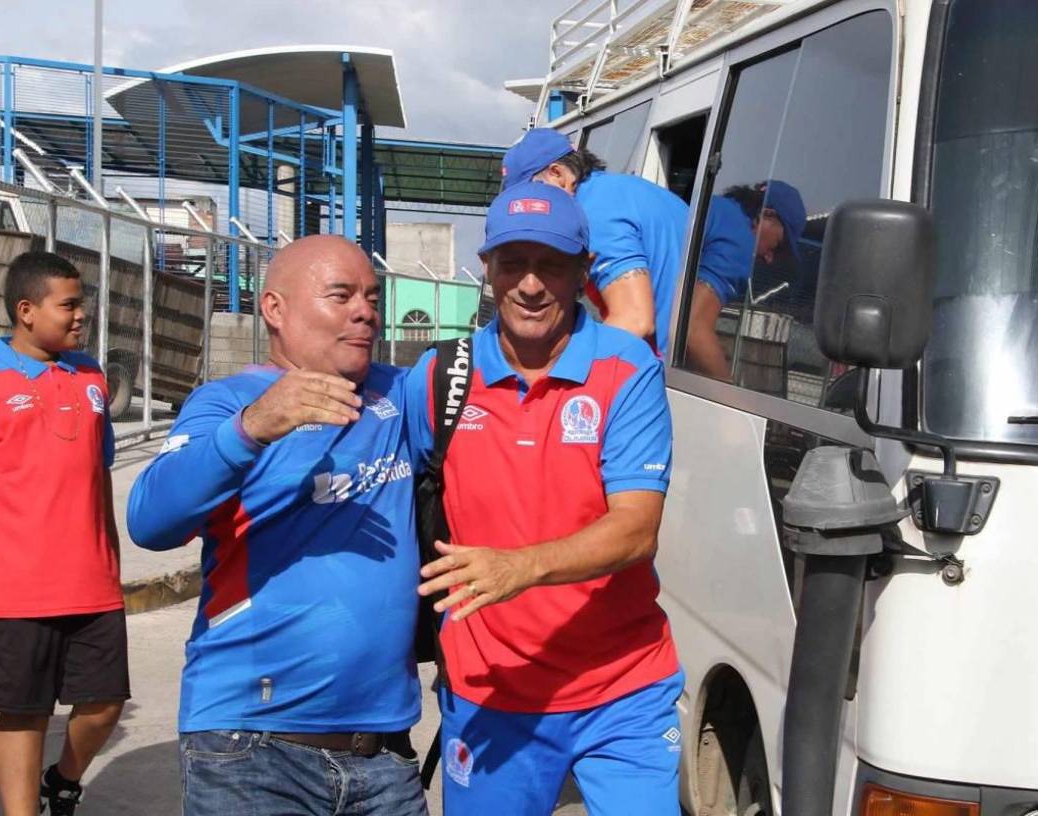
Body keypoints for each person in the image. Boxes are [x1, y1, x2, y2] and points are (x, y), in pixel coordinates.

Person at [127, 235, 427, 816]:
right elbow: (150, 519)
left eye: (371, 295)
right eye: (340, 295)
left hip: (385, 755)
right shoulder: (227, 403)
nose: (364, 310)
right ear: (274, 309)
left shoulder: (399, 392)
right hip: (252, 752)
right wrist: (255, 427)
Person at [408, 181, 681, 815]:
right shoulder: (443, 377)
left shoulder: (626, 368)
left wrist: (519, 566)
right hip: (492, 689)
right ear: (487, 270)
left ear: (584, 272)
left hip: (624, 687)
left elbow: (637, 529)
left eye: (550, 265)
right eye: (513, 264)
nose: (530, 285)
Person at [0, 251, 127, 816]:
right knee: (24, 711)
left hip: (92, 581)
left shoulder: (91, 378)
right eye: (69, 304)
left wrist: (110, 556)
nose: (81, 314)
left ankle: (62, 778)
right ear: (26, 310)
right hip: (15, 586)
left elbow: (99, 474)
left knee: (105, 704)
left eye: (82, 302)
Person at [502, 128, 689, 355]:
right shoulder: (617, 190)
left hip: (665, 372)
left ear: (558, 175)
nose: (532, 212)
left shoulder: (590, 213)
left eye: (531, 197)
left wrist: (561, 368)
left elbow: (635, 320)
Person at [685, 180, 807, 380]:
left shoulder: (716, 209)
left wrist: (712, 350)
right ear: (766, 214)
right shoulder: (741, 240)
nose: (769, 258)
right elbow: (694, 330)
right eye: (777, 246)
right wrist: (729, 398)